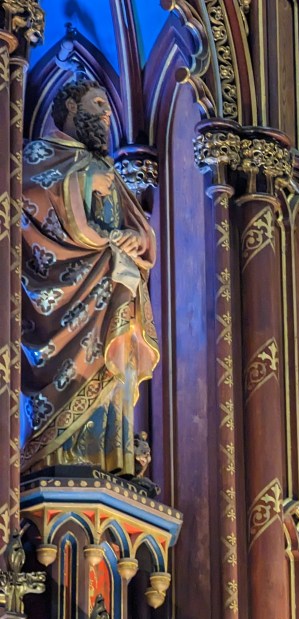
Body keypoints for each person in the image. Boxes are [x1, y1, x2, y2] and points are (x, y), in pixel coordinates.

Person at [20, 79, 158, 474]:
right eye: (97, 103)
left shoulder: (106, 168)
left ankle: (111, 458)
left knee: (114, 366)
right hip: (66, 295)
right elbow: (25, 199)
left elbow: (139, 231)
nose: (106, 113)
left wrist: (134, 239)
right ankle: (56, 458)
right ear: (70, 107)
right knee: (70, 373)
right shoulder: (39, 155)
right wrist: (78, 185)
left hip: (111, 289)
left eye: (107, 106)